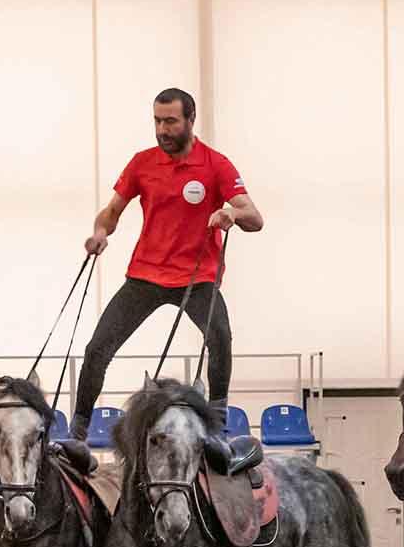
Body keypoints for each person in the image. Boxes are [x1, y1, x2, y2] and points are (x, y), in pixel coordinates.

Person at [72, 88, 264, 444]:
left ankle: (217, 426)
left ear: (191, 120)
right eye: (158, 121)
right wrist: (100, 233)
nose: (163, 130)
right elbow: (112, 211)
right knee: (97, 348)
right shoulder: (142, 163)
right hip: (145, 275)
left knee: (220, 337)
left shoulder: (215, 165)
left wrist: (231, 214)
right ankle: (77, 432)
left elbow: (254, 217)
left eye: (171, 122)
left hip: (197, 278)